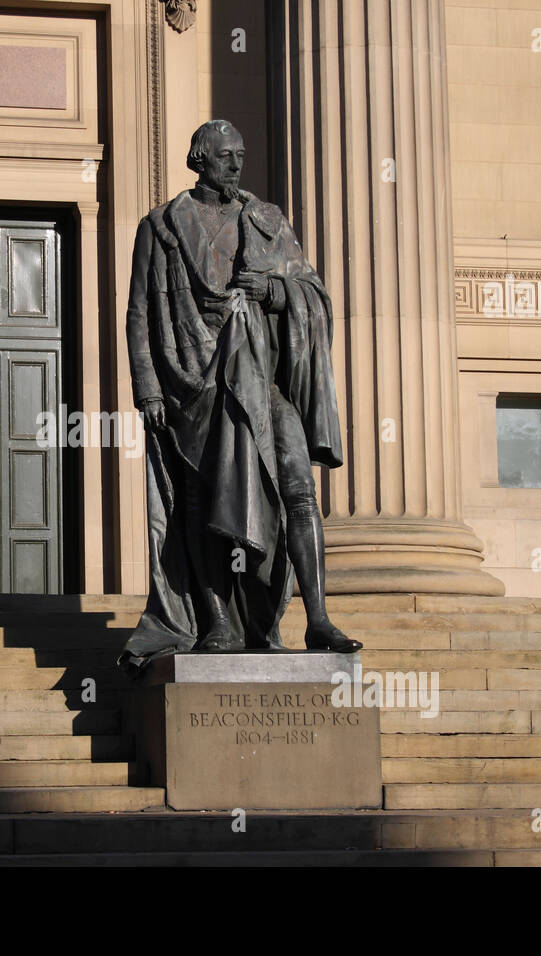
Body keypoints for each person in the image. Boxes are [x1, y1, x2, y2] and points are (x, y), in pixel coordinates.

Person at [118, 119, 362, 672]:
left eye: (242, 156)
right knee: (201, 505)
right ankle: (219, 622)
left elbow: (313, 293)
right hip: (193, 382)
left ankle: (317, 618)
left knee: (298, 485)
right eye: (227, 156)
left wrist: (275, 291)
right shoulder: (160, 227)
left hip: (260, 377)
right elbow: (137, 313)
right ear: (199, 159)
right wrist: (147, 386)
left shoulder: (267, 221)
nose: (237, 166)